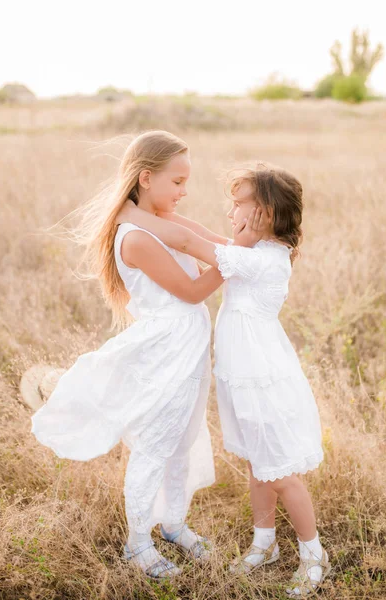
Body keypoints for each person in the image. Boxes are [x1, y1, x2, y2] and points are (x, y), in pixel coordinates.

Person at [30, 131, 257, 579]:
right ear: (146, 178)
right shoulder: (135, 237)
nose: (184, 191)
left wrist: (250, 249)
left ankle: (172, 522)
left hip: (189, 349)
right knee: (156, 444)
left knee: (182, 440)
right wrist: (236, 259)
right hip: (166, 350)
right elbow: (192, 291)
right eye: (177, 182)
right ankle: (137, 544)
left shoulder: (161, 219)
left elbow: (212, 242)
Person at [119, 162, 330, 597]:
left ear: (265, 215)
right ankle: (264, 543)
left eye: (238, 205)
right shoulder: (250, 252)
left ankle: (314, 553)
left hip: (263, 376)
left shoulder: (264, 259)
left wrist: (126, 215)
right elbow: (193, 229)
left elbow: (192, 241)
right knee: (258, 465)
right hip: (241, 374)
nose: (230, 213)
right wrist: (139, 212)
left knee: (282, 471)